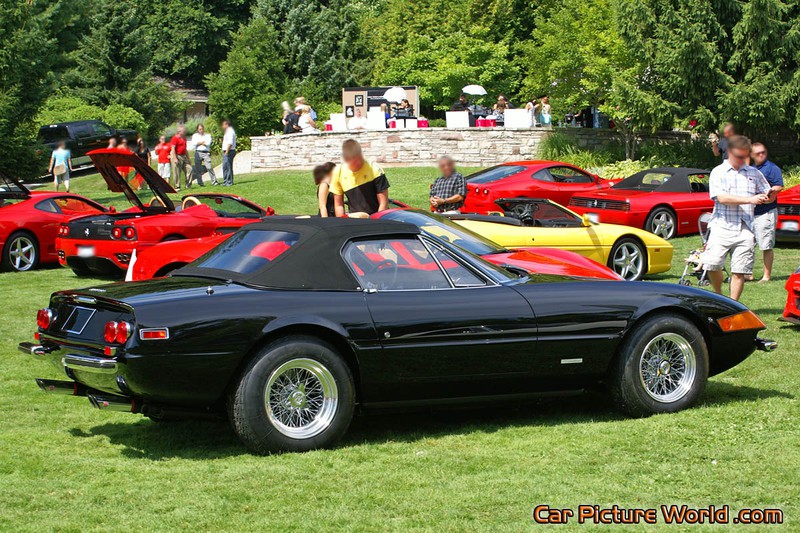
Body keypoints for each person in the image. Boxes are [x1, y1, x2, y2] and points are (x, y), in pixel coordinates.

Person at [701, 135, 776, 301]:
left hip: (745, 228)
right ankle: (719, 296)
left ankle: (733, 305)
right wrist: (750, 199)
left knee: (739, 270)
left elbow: (766, 191)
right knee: (712, 265)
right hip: (722, 225)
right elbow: (721, 198)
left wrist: (769, 195)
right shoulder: (718, 172)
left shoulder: (754, 173)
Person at [751, 143, 784, 282]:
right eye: (757, 153)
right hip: (750, 212)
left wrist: (770, 193)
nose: (761, 155)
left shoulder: (772, 168)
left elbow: (778, 186)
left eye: (763, 152)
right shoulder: (750, 168)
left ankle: (766, 276)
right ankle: (748, 274)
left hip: (766, 212)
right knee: (747, 244)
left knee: (766, 245)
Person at [331, 139, 389, 216]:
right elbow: (338, 205)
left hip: (377, 215)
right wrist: (342, 223)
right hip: (356, 219)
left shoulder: (374, 169)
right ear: (346, 159)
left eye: (359, 159)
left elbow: (383, 203)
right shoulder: (338, 172)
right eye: (354, 161)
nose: (358, 163)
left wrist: (376, 222)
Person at [170, 125, 193, 191]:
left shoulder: (184, 138)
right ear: (179, 131)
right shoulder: (175, 138)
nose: (185, 131)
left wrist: (188, 159)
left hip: (184, 156)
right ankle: (177, 187)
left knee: (190, 169)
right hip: (177, 155)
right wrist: (175, 158)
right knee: (177, 172)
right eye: (183, 130)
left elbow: (185, 149)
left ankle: (188, 185)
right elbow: (173, 149)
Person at [221, 119, 237, 187]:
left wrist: (227, 152)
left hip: (229, 151)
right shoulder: (227, 132)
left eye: (223, 124)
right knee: (225, 167)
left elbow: (230, 143)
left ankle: (229, 182)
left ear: (226, 124)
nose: (222, 126)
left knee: (228, 167)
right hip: (227, 151)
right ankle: (225, 181)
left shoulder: (230, 131)